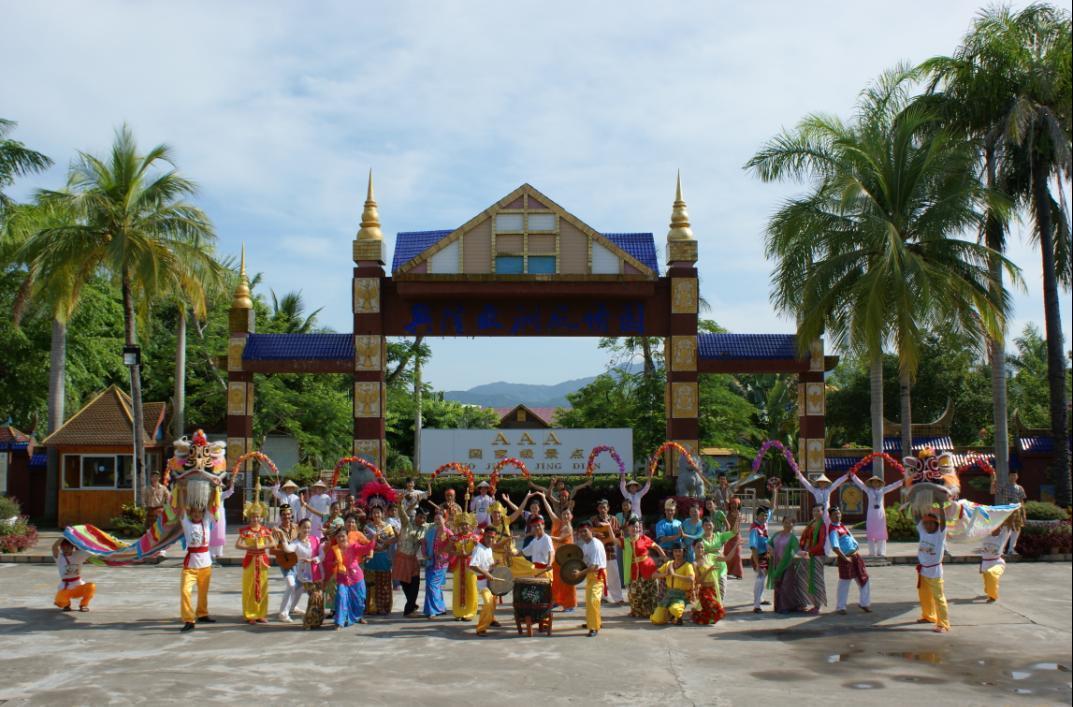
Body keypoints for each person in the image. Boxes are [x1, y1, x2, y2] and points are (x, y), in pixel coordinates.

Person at [849, 468, 905, 556]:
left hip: (880, 514)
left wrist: (901, 481)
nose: (875, 483)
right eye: (873, 482)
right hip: (871, 514)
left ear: (879, 483)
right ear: (871, 483)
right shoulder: (868, 490)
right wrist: (853, 476)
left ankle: (881, 552)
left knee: (881, 533)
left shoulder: (882, 490)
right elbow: (860, 484)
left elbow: (892, 486)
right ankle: (872, 552)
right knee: (871, 533)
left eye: (877, 482)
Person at [236, 498, 274, 624]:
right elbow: (238, 545)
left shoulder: (264, 530)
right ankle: (250, 614)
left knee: (262, 587)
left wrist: (262, 546)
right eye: (253, 517)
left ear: (261, 517)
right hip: (250, 560)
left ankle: (261, 613)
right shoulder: (246, 531)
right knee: (249, 587)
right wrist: (249, 547)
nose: (255, 519)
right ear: (249, 518)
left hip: (262, 560)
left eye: (257, 517)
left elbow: (273, 543)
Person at [331, 525, 376, 629]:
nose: (341, 538)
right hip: (342, 577)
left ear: (347, 536)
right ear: (336, 538)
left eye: (343, 536)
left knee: (359, 600)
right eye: (338, 537)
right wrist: (333, 563)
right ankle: (339, 621)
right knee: (341, 597)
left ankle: (358, 616)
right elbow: (328, 562)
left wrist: (373, 539)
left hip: (356, 577)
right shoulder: (334, 549)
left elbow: (367, 548)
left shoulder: (353, 546)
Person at [179, 503, 216, 632]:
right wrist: (182, 489)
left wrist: (213, 487)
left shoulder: (206, 522)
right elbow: (182, 507)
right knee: (185, 591)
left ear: (202, 514)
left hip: (206, 564)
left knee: (203, 593)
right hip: (190, 566)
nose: (197, 514)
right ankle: (189, 619)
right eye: (194, 512)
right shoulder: (187, 524)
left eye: (199, 512)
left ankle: (202, 614)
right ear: (190, 513)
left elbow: (211, 504)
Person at [792, 469, 847, 551]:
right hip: (818, 513)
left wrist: (846, 476)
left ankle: (826, 549)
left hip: (827, 514)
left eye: (824, 482)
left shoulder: (829, 490)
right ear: (818, 483)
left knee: (827, 531)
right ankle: (816, 547)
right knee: (817, 530)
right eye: (821, 482)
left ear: (826, 483)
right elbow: (806, 484)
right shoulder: (815, 490)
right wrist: (799, 475)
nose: (822, 484)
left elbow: (837, 483)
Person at [828, 507, 871, 614]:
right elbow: (835, 547)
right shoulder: (833, 530)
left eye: (839, 513)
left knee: (864, 578)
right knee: (845, 582)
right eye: (835, 514)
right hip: (846, 558)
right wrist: (845, 558)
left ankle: (864, 603)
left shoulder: (842, 526)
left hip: (856, 556)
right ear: (830, 517)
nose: (838, 516)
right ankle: (841, 607)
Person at [278, 517, 320, 623]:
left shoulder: (314, 540)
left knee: (300, 589)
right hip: (295, 569)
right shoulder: (296, 543)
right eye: (304, 527)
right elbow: (287, 549)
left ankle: (293, 607)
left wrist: (316, 559)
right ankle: (283, 613)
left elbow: (320, 553)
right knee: (292, 587)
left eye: (309, 528)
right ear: (299, 529)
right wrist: (283, 537)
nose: (307, 530)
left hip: (308, 570)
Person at [916, 511, 951, 633]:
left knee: (939, 598)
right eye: (926, 523)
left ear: (937, 524)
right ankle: (928, 616)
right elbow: (917, 516)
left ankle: (943, 624)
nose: (928, 525)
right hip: (923, 570)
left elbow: (944, 522)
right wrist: (916, 503)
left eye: (932, 523)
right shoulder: (923, 532)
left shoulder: (940, 534)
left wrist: (941, 507)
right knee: (924, 595)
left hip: (935, 571)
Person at [625, 518, 665, 618]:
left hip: (648, 567)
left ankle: (652, 611)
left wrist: (664, 557)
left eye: (637, 526)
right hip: (634, 569)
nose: (635, 528)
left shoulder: (644, 538)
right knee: (634, 592)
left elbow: (656, 547)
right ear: (628, 527)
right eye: (633, 526)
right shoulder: (625, 541)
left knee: (651, 591)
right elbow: (614, 540)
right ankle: (636, 611)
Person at [766, 515, 807, 614]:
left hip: (787, 564)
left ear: (793, 525)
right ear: (782, 523)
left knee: (786, 586)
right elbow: (769, 543)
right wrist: (770, 549)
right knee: (778, 586)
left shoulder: (792, 538)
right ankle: (778, 607)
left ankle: (786, 607)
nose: (788, 524)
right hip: (776, 564)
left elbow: (797, 550)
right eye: (786, 522)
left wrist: (805, 554)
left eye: (790, 523)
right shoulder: (777, 534)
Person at [395, 503, 429, 616]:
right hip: (402, 557)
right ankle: (411, 607)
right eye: (420, 517)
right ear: (416, 516)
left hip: (413, 559)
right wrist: (399, 504)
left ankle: (409, 608)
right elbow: (402, 513)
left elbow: (437, 524)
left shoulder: (425, 527)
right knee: (405, 583)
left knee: (415, 583)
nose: (422, 520)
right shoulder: (407, 523)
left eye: (424, 518)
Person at [543, 499, 577, 612]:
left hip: (567, 558)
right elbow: (549, 511)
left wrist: (546, 536)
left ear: (571, 516)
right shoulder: (558, 523)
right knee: (556, 580)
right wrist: (544, 497)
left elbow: (560, 539)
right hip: (557, 558)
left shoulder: (569, 528)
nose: (566, 516)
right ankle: (557, 600)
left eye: (568, 514)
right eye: (564, 514)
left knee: (567, 581)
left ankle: (570, 604)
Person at [363, 505, 397, 615]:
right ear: (371, 514)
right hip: (371, 557)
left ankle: (383, 607)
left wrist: (385, 545)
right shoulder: (367, 527)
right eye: (374, 513)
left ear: (382, 514)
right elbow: (364, 541)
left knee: (384, 583)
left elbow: (394, 539)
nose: (376, 515)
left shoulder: (388, 527)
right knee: (371, 583)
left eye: (378, 512)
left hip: (383, 557)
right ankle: (371, 607)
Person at [651, 542, 695, 625]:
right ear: (673, 552)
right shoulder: (668, 564)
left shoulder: (687, 565)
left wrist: (675, 575)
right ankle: (669, 615)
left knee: (675, 610)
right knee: (656, 620)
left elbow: (691, 579)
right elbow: (653, 575)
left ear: (683, 552)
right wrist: (665, 574)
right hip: (669, 594)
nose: (677, 553)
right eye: (675, 551)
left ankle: (677, 616)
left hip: (681, 595)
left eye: (679, 551)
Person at [576, 521, 607, 637]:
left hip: (598, 575)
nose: (583, 534)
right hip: (591, 575)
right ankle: (593, 622)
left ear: (591, 531)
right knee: (590, 601)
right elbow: (584, 562)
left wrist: (579, 573)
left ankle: (594, 627)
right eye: (581, 532)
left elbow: (594, 566)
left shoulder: (595, 544)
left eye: (585, 531)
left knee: (593, 600)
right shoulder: (585, 545)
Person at [590, 498, 624, 604]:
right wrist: (595, 534)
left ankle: (618, 598)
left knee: (614, 574)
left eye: (604, 507)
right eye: (600, 507)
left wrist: (612, 538)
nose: (602, 509)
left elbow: (619, 535)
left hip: (611, 550)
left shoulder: (614, 519)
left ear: (608, 508)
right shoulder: (593, 520)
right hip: (598, 551)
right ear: (597, 509)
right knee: (599, 574)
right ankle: (602, 596)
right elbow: (587, 532)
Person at [798, 505, 828, 614]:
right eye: (813, 510)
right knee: (803, 577)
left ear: (822, 512)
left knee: (817, 580)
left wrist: (809, 552)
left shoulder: (822, 526)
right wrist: (800, 548)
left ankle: (818, 605)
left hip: (817, 555)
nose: (815, 512)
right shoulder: (811, 523)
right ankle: (805, 602)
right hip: (807, 554)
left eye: (818, 510)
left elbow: (821, 544)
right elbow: (804, 538)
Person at [272, 504, 300, 621]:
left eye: (288, 514)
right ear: (280, 516)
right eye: (284, 514)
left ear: (291, 514)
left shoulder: (297, 527)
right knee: (291, 585)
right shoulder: (277, 531)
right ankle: (283, 614)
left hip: (298, 562)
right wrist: (285, 551)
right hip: (286, 563)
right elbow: (272, 550)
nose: (286, 517)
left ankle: (293, 606)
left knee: (300, 586)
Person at [698, 517, 736, 603]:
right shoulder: (700, 539)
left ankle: (718, 609)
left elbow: (734, 532)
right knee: (710, 593)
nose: (708, 527)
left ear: (713, 526)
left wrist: (737, 520)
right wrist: (712, 552)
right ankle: (713, 611)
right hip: (707, 569)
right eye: (706, 525)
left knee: (721, 591)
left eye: (710, 525)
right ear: (702, 527)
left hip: (720, 567)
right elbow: (698, 552)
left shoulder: (719, 535)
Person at [451, 513, 480, 621]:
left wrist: (468, 553)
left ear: (470, 525)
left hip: (470, 565)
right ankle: (459, 612)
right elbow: (450, 550)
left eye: (466, 524)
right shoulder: (455, 537)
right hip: (459, 565)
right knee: (458, 588)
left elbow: (479, 550)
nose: (464, 526)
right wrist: (456, 553)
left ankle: (470, 612)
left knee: (471, 587)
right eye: (462, 524)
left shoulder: (474, 537)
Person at [51, 538, 94, 612]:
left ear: (72, 547)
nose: (65, 550)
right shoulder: (59, 557)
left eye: (68, 547)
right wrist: (63, 537)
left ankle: (83, 605)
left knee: (91, 587)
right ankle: (66, 604)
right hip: (65, 587)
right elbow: (54, 547)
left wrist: (75, 540)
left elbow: (91, 549)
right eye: (63, 548)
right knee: (60, 602)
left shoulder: (79, 554)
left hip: (78, 586)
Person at [423, 509, 452, 619]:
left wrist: (447, 557)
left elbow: (454, 545)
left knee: (432, 585)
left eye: (439, 519)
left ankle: (433, 611)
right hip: (430, 562)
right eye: (435, 519)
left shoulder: (448, 532)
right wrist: (425, 554)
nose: (437, 521)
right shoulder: (431, 531)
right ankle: (439, 608)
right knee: (432, 586)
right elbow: (424, 543)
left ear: (445, 519)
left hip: (441, 564)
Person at [470, 526, 499, 635]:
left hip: (490, 581)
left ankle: (491, 619)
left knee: (493, 601)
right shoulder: (479, 549)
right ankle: (481, 628)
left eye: (492, 537)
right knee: (488, 602)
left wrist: (494, 565)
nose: (490, 539)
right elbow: (473, 565)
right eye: (488, 537)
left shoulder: (489, 549)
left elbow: (488, 566)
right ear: (484, 536)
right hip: (482, 582)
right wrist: (486, 573)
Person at [691, 538, 726, 625]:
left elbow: (727, 558)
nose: (700, 549)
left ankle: (697, 615)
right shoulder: (694, 563)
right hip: (705, 592)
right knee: (719, 610)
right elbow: (698, 581)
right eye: (698, 547)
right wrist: (708, 570)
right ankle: (698, 616)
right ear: (693, 548)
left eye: (702, 547)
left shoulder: (709, 557)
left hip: (714, 589)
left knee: (714, 612)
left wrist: (736, 546)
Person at [991, 471, 1026, 555]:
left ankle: (1011, 549)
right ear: (1009, 476)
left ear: (1017, 477)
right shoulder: (1004, 487)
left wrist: (1023, 513)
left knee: (1016, 531)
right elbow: (993, 492)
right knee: (1005, 530)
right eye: (1011, 475)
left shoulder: (1020, 488)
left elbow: (1022, 501)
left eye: (1015, 475)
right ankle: (1000, 549)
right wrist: (993, 482)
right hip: (1007, 511)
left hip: (1017, 511)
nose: (1013, 477)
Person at [980, 522, 1012, 603]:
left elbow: (1009, 525)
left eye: (998, 527)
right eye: (994, 527)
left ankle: (993, 596)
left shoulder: (1002, 537)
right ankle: (990, 592)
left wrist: (1011, 513)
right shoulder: (985, 536)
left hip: (997, 562)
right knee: (988, 587)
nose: (996, 529)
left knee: (992, 574)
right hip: (985, 563)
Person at [748, 505, 772, 613]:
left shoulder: (764, 524)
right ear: (757, 516)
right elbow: (753, 547)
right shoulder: (755, 529)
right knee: (760, 579)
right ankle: (756, 605)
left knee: (762, 579)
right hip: (759, 556)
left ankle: (760, 599)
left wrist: (774, 492)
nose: (765, 517)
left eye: (766, 515)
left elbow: (773, 507)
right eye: (762, 515)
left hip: (766, 555)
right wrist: (757, 563)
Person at [208, 480, 235, 564]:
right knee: (210, 534)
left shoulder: (221, 494)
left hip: (219, 517)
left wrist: (232, 483)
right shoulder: (207, 495)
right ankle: (210, 553)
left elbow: (230, 492)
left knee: (219, 534)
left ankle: (218, 553)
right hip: (209, 516)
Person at [723, 497, 745, 578]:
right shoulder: (728, 513)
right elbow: (724, 500)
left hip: (736, 537)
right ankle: (727, 571)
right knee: (727, 554)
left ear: (738, 505)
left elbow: (735, 529)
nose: (733, 506)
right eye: (732, 504)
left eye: (735, 504)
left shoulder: (739, 514)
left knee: (737, 555)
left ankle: (738, 573)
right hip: (728, 536)